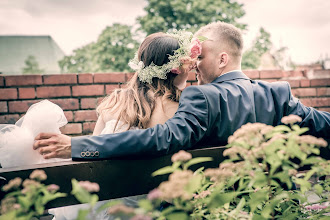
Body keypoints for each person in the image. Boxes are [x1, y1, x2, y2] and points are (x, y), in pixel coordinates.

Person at [33, 21, 330, 161]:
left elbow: (159, 138)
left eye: (199, 57)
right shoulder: (278, 93)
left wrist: (78, 145)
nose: (193, 65)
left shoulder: (201, 96)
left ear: (222, 59)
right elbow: (322, 124)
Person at [48, 31, 196, 220]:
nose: (190, 68)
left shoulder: (114, 102)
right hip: (152, 208)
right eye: (187, 64)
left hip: (104, 204)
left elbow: (91, 159)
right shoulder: (179, 108)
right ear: (175, 68)